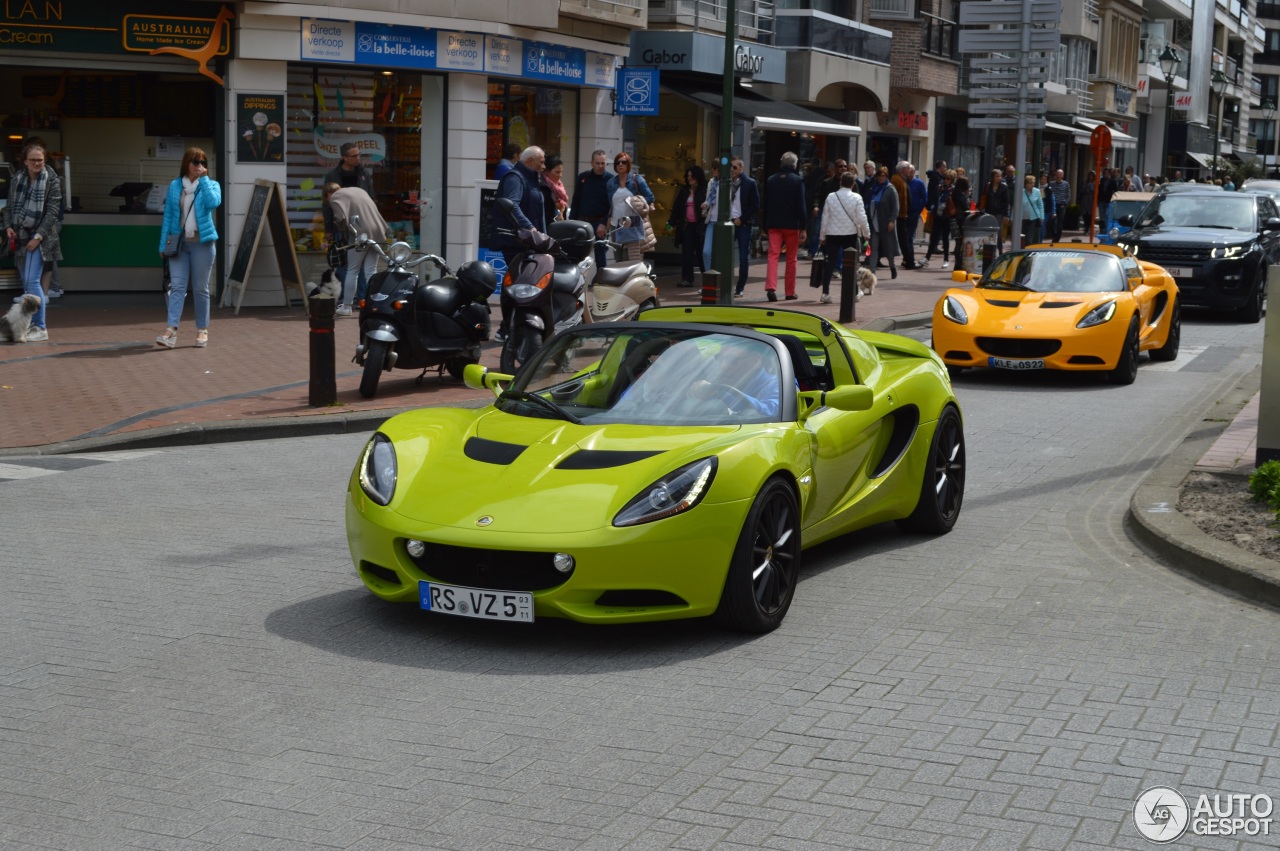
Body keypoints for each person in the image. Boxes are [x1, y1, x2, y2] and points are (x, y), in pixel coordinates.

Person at [154, 147, 220, 349]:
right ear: (187, 164)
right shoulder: (175, 186)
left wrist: (205, 181)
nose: (200, 166)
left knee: (200, 288)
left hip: (202, 244)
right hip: (180, 244)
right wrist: (163, 244)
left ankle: (202, 330)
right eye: (196, 162)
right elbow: (169, 218)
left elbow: (213, 203)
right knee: (177, 287)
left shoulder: (211, 184)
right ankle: (171, 329)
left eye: (203, 162)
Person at [1, 142, 61, 343]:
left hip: (41, 239)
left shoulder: (51, 180)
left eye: (40, 160)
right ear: (25, 161)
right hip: (19, 236)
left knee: (33, 281)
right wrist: (8, 226)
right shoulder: (17, 178)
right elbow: (9, 207)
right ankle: (26, 325)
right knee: (27, 282)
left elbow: (53, 212)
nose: (37, 163)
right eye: (33, 160)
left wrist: (38, 237)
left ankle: (41, 326)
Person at [496, 146, 547, 340]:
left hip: (530, 243)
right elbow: (511, 204)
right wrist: (529, 228)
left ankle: (511, 327)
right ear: (530, 161)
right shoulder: (515, 178)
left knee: (523, 283)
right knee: (518, 283)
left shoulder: (532, 179)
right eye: (541, 161)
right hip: (517, 243)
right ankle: (506, 328)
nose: (544, 165)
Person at [324, 184, 390, 316]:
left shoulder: (336, 197)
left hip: (360, 234)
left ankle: (347, 306)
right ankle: (374, 304)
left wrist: (340, 229)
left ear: (328, 194)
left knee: (352, 270)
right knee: (371, 270)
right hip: (378, 231)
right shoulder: (359, 190)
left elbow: (340, 218)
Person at [690, 339, 782, 419]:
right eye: (720, 358)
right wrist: (698, 393)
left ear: (756, 360)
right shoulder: (721, 380)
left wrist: (720, 391)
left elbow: (772, 411)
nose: (723, 366)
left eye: (733, 360)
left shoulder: (780, 385)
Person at [762, 152, 808, 302]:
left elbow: (765, 204)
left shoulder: (771, 180)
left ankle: (770, 287)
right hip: (791, 224)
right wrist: (803, 226)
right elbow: (801, 206)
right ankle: (789, 291)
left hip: (774, 223)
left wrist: (765, 224)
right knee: (791, 258)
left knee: (773, 255)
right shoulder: (797, 181)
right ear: (794, 164)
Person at [818, 171, 870, 304]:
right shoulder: (857, 198)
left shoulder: (831, 197)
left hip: (832, 234)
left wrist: (822, 236)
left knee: (831, 263)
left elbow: (825, 218)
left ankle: (825, 293)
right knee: (851, 263)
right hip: (850, 234)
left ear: (841, 182)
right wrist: (866, 234)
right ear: (853, 184)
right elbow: (862, 218)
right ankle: (854, 292)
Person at [605, 152, 655, 262]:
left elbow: (650, 197)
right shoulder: (611, 183)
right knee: (618, 259)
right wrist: (608, 219)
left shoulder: (636, 180)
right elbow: (610, 204)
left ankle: (631, 279)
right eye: (618, 162)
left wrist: (638, 202)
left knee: (629, 259)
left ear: (628, 164)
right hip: (615, 225)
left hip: (632, 224)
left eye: (624, 162)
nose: (620, 165)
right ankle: (621, 280)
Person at [570, 149, 612, 268]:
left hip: (600, 223)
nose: (600, 166)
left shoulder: (610, 180)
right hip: (582, 222)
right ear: (591, 163)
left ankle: (601, 285)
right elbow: (576, 200)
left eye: (603, 163)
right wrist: (572, 222)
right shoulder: (583, 178)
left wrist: (604, 223)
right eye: (597, 163)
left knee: (600, 258)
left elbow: (612, 206)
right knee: (578, 257)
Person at [667, 165, 706, 288]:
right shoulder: (684, 190)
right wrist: (671, 223)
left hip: (700, 225)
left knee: (702, 254)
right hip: (687, 225)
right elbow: (677, 208)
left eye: (691, 176)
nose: (689, 179)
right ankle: (687, 279)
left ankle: (707, 278)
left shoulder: (703, 190)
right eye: (688, 176)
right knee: (687, 253)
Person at [728, 157, 760, 296]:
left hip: (743, 224)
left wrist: (742, 219)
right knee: (725, 255)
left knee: (742, 256)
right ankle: (725, 284)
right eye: (730, 167)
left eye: (734, 167)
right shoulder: (726, 183)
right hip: (729, 222)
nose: (732, 170)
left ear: (742, 167)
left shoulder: (750, 183)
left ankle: (740, 287)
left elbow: (755, 205)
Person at [867, 166, 899, 280]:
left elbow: (895, 207)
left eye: (883, 176)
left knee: (888, 247)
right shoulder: (873, 189)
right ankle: (872, 273)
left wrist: (892, 220)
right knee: (873, 247)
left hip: (886, 223)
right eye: (879, 176)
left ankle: (892, 266)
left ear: (886, 176)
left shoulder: (890, 189)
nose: (880, 178)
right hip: (874, 222)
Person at [925, 169, 958, 271]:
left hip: (946, 216)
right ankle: (927, 258)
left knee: (945, 239)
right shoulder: (939, 188)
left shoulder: (953, 190)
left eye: (948, 179)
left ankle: (946, 260)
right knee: (934, 237)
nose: (945, 180)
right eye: (944, 178)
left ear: (952, 180)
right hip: (938, 215)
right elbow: (934, 198)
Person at [979, 169, 1010, 253]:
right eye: (997, 176)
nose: (999, 178)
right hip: (989, 211)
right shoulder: (988, 186)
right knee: (988, 232)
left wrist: (1006, 215)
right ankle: (989, 251)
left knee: (999, 233)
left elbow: (1006, 201)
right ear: (992, 177)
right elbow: (983, 197)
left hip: (999, 212)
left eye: (1000, 176)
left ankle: (1000, 251)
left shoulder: (1004, 187)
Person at [903, 163, 927, 269]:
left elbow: (925, 198)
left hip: (913, 213)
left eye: (912, 171)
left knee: (909, 237)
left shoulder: (919, 183)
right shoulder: (902, 182)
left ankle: (910, 259)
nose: (909, 174)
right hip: (903, 213)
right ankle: (906, 258)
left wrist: (918, 211)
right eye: (908, 171)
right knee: (904, 237)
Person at [541, 154, 569, 223]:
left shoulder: (559, 185)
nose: (560, 175)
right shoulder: (543, 187)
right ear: (547, 171)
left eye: (561, 172)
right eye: (557, 172)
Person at [1020, 175, 1045, 245]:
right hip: (1023, 218)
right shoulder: (1021, 192)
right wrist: (1013, 218)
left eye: (1033, 183)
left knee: (1029, 237)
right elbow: (1017, 205)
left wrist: (1042, 217)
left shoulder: (1037, 191)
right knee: (1022, 236)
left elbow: (1040, 205)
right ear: (1026, 184)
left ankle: (1028, 252)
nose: (1032, 184)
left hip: (1033, 217)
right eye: (1030, 183)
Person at [1048, 169, 1071, 240]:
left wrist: (1065, 203)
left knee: (1060, 223)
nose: (1058, 176)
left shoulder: (1066, 184)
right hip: (1053, 205)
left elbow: (1068, 195)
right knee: (1051, 222)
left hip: (1061, 205)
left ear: (1062, 176)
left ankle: (1057, 238)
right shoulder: (1052, 184)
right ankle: (1053, 236)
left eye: (1060, 174)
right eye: (1057, 174)